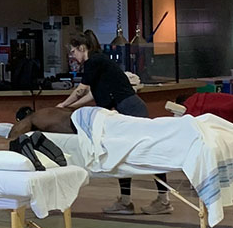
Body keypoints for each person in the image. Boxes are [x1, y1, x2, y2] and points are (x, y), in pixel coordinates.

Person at [56, 30, 172, 216]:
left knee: (148, 154)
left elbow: (81, 90)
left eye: (73, 52)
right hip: (126, 109)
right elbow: (92, 94)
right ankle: (126, 201)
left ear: (82, 48)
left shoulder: (94, 61)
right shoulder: (98, 62)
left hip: (129, 109)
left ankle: (163, 200)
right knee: (120, 154)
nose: (72, 57)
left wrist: (63, 104)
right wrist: (68, 108)